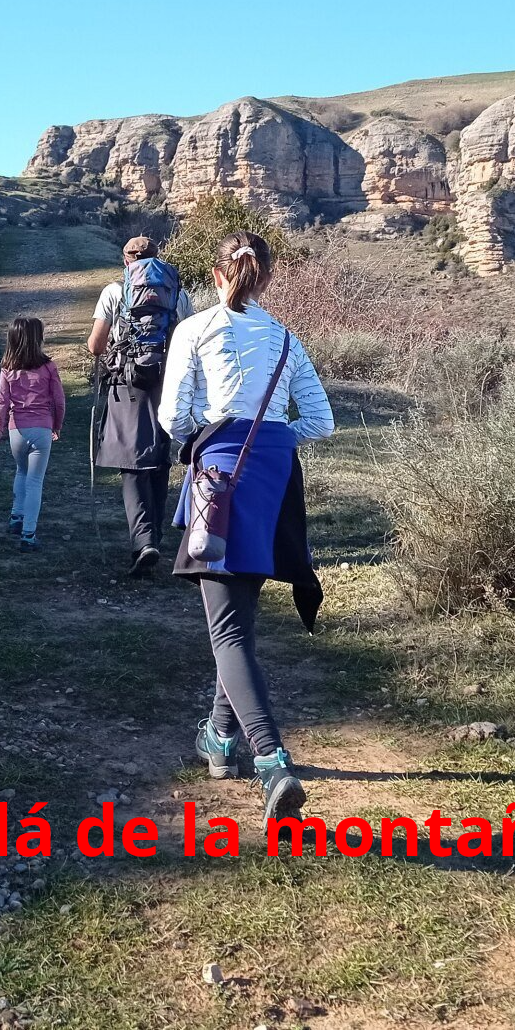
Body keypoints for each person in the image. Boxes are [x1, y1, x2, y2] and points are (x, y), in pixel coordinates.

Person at [158, 230, 334, 827]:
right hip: (275, 479)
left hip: (220, 479)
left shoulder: (195, 329)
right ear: (266, 277)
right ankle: (218, 737)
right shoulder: (285, 337)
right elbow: (319, 418)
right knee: (234, 621)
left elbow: (173, 414)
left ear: (216, 273)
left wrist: (204, 444)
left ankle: (272, 760)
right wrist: (273, 446)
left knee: (228, 628)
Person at [86, 235, 195, 576]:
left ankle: (143, 541)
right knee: (159, 458)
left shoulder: (115, 292)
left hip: (127, 382)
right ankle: (155, 538)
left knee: (131, 462)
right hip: (169, 380)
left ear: (126, 261)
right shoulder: (179, 292)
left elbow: (96, 345)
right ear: (156, 257)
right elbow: (186, 338)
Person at [0, 315, 65, 552]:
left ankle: (16, 517)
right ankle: (29, 534)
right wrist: (57, 425)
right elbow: (59, 400)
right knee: (35, 481)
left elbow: (2, 401)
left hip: (16, 431)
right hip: (41, 429)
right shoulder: (48, 367)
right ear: (38, 339)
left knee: (21, 472)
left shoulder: (8, 369)